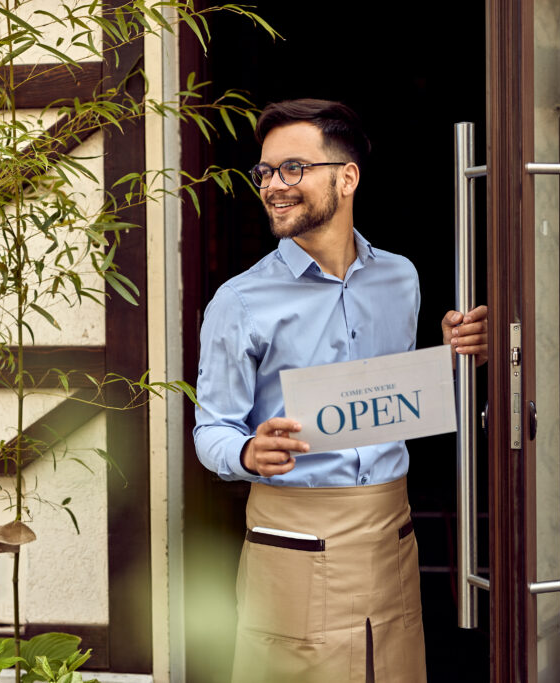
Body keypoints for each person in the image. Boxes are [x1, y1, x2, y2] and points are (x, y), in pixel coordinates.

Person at [192, 99, 488, 683]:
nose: (275, 185)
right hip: (293, 543)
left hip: (390, 535)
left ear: (346, 177)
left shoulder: (400, 278)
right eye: (267, 172)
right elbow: (211, 430)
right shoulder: (239, 301)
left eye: (293, 168)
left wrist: (451, 359)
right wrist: (248, 453)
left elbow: (391, 394)